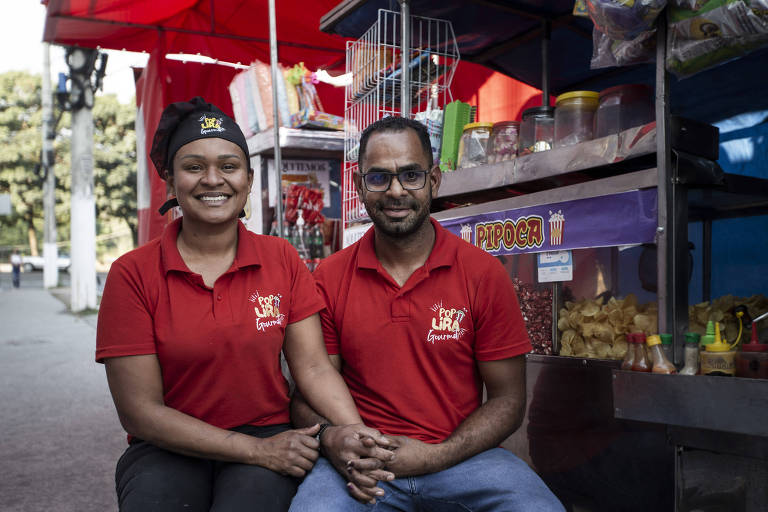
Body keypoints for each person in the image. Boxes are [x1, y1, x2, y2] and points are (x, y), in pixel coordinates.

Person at [96, 97, 383, 512]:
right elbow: (140, 412)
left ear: (248, 181)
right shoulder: (132, 274)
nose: (213, 179)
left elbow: (314, 367)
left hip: (272, 434)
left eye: (228, 166)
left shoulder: (281, 258)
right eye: (194, 167)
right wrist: (252, 451)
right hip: (166, 445)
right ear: (171, 182)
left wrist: (355, 435)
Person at [289, 116, 564, 511]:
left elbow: (508, 401)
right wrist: (334, 439)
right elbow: (306, 394)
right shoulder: (330, 278)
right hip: (360, 465)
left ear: (434, 180)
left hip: (463, 459)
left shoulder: (482, 273)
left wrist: (436, 456)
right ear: (358, 185)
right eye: (379, 177)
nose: (396, 191)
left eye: (411, 175)